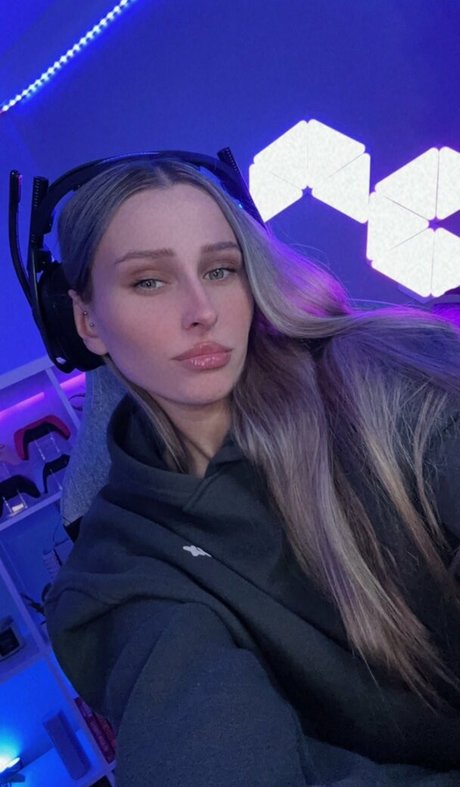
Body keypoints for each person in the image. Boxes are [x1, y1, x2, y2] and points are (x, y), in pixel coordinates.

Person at [43, 158, 460, 786]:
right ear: (87, 322)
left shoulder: (386, 379)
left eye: (220, 270)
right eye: (149, 281)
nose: (201, 310)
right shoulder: (115, 567)